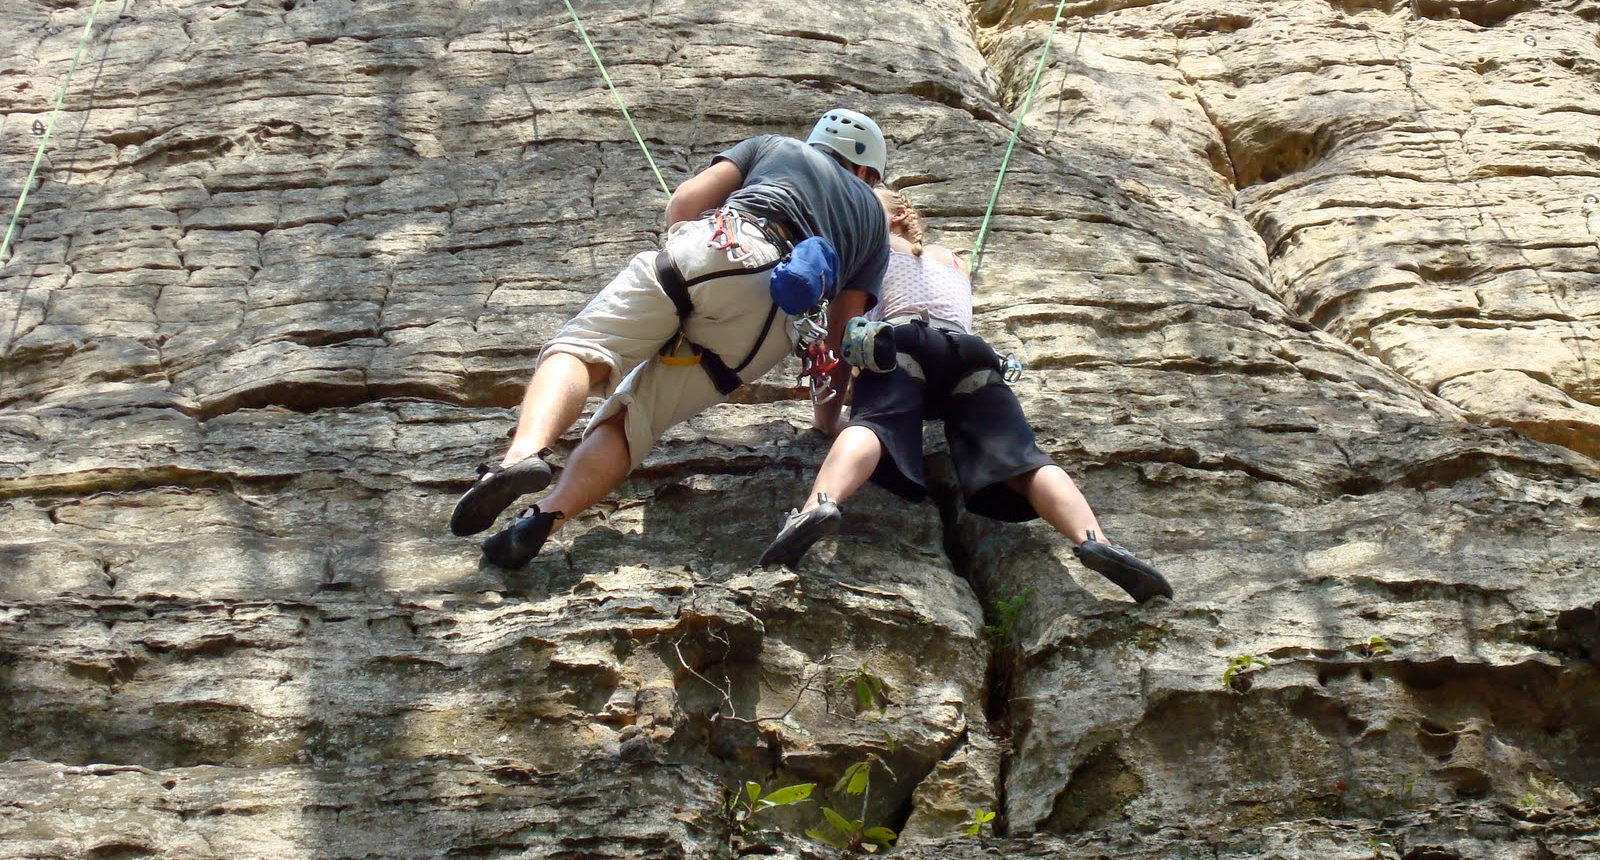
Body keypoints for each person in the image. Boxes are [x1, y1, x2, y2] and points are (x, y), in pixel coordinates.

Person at [451, 108, 892, 569]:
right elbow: (842, 335)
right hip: (769, 325)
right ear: (866, 172)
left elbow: (683, 203)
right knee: (636, 419)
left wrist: (686, 267)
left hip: (727, 244)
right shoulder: (873, 224)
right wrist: (826, 420)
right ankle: (544, 516)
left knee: (584, 352)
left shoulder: (777, 146)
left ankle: (521, 456)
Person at [759, 187, 1172, 603]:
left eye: (865, 208)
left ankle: (818, 505)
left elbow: (842, 333)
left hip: (901, 345)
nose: (854, 216)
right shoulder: (954, 260)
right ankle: (1094, 539)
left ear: (899, 213)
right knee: (1023, 460)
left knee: (873, 426)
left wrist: (828, 414)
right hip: (971, 356)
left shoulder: (869, 249)